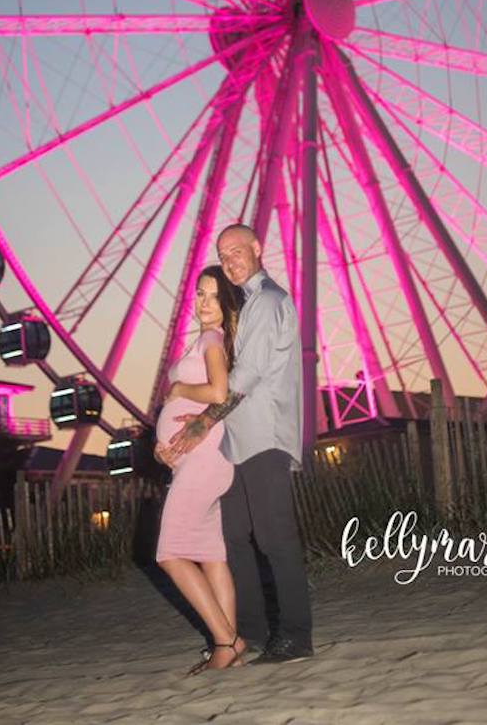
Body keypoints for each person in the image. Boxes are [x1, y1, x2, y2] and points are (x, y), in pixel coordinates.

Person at [162, 223, 313, 664]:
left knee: (275, 537)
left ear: (258, 249)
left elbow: (245, 377)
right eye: (222, 254)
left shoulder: (266, 302)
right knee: (233, 538)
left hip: (264, 435)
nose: (229, 261)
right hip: (237, 441)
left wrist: (202, 420)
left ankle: (296, 635)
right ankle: (251, 630)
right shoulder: (243, 308)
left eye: (236, 252)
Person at [154, 265, 247, 673]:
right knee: (211, 555)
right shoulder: (207, 339)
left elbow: (218, 392)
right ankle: (229, 645)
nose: (204, 303)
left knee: (170, 552)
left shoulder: (212, 338)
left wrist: (177, 391)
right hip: (196, 458)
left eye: (213, 295)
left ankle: (226, 640)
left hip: (206, 458)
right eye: (199, 294)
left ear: (228, 303)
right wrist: (163, 449)